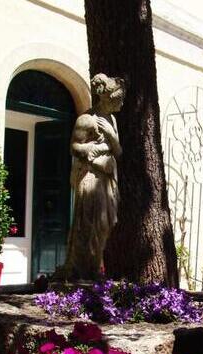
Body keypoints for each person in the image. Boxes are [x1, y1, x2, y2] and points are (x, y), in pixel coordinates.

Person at [61, 73, 126, 280]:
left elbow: (118, 152)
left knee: (105, 225)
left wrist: (112, 137)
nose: (121, 103)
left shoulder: (111, 120)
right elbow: (74, 147)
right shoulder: (87, 120)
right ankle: (82, 271)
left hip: (106, 180)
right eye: (119, 99)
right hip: (90, 177)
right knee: (88, 225)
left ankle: (94, 267)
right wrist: (96, 154)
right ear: (107, 98)